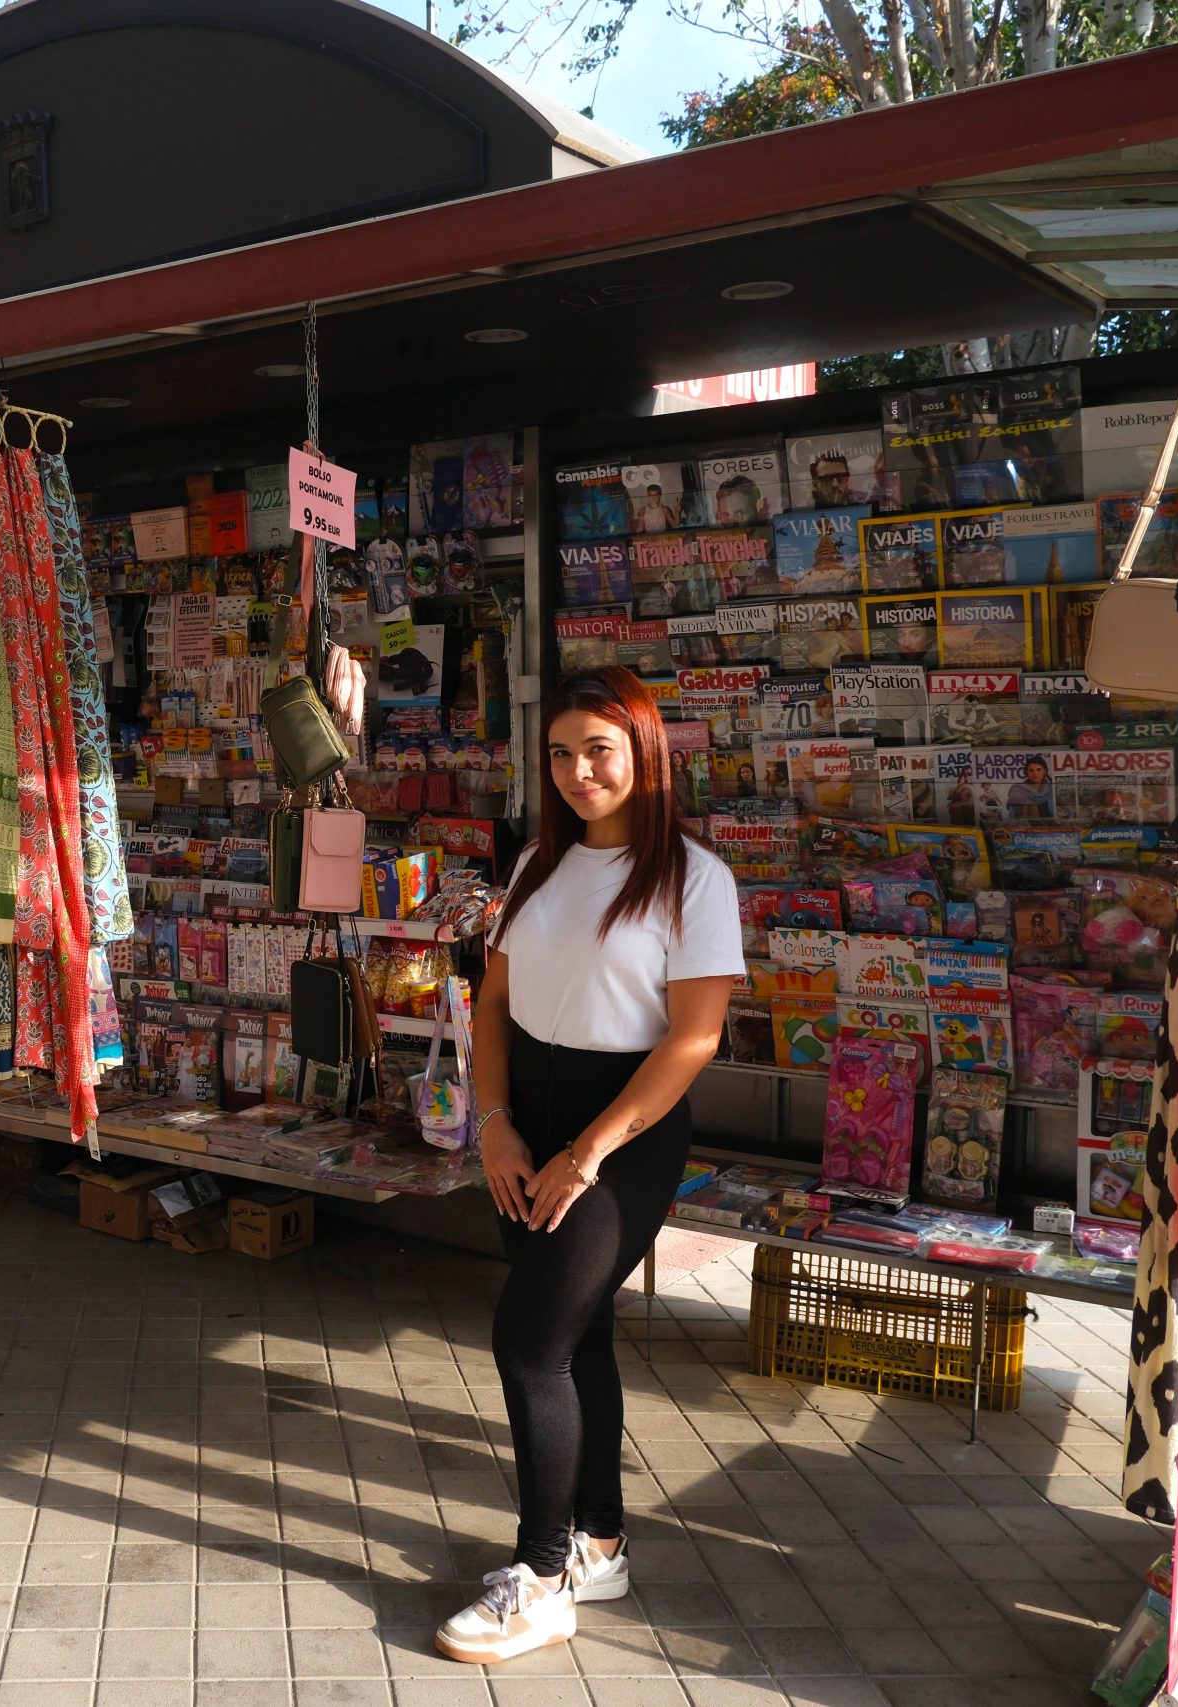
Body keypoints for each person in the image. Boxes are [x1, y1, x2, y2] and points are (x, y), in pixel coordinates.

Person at [435, 666, 744, 1665]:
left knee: (528, 1344)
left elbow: (691, 1040)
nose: (576, 772)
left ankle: (539, 1576)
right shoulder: (536, 866)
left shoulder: (695, 878)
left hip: (624, 1133)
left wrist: (587, 1153)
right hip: (526, 1122)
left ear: (644, 751)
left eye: (597, 750)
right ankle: (600, 1542)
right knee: (576, 1338)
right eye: (560, 754)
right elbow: (490, 1004)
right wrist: (492, 1123)